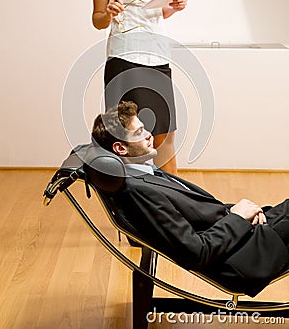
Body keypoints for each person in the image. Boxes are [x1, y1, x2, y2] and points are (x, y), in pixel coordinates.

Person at [91, 101, 289, 298]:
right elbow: (196, 252)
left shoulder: (144, 174)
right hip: (244, 256)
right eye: (139, 133)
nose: (149, 135)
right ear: (120, 148)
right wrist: (237, 217)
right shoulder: (140, 191)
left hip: (242, 236)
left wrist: (242, 213)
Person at [89, 0, 189, 175]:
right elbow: (97, 19)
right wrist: (107, 12)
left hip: (157, 54)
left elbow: (161, 9)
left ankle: (175, 204)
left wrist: (175, 5)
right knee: (127, 140)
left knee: (164, 135)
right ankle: (131, 209)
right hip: (125, 56)